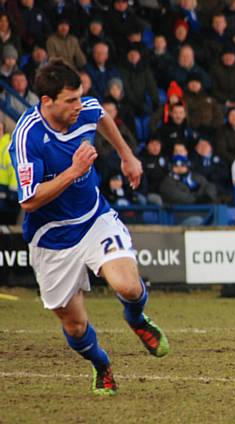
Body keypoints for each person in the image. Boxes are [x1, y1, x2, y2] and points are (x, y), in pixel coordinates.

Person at [8, 60, 169, 396]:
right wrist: (73, 170)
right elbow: (29, 200)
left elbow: (102, 116)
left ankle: (137, 319)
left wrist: (127, 156)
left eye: (79, 97)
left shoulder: (85, 110)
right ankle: (102, 365)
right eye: (70, 100)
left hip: (94, 219)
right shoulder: (27, 137)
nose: (78, 106)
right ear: (46, 101)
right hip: (51, 240)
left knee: (127, 286)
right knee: (75, 325)